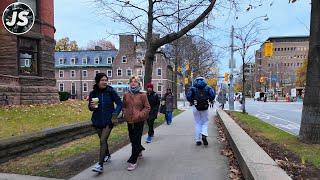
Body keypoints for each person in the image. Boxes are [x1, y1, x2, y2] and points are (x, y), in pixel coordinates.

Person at [88, 73, 122, 173]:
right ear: (98, 81)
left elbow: (120, 103)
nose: (105, 82)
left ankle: (100, 165)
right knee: (103, 141)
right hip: (97, 120)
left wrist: (115, 114)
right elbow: (91, 108)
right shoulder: (93, 93)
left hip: (109, 120)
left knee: (102, 140)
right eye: (102, 80)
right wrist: (92, 106)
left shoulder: (110, 91)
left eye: (106, 80)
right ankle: (107, 154)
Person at [122, 76, 151, 171]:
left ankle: (133, 160)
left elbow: (147, 107)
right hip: (129, 120)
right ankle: (139, 149)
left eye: (135, 82)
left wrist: (140, 115)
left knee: (136, 138)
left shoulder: (142, 95)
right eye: (131, 81)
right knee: (132, 139)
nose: (133, 83)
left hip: (139, 120)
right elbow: (124, 106)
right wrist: (125, 113)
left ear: (139, 83)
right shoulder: (126, 94)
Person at [187, 77, 215, 146]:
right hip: (205, 106)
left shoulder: (192, 88)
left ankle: (198, 140)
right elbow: (212, 95)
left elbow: (188, 96)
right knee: (205, 122)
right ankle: (204, 134)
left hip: (195, 107)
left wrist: (191, 101)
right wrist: (210, 100)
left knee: (197, 123)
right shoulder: (208, 87)